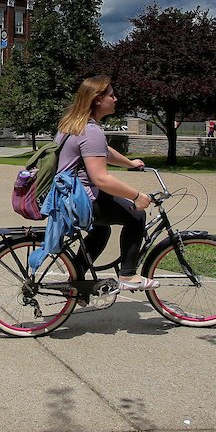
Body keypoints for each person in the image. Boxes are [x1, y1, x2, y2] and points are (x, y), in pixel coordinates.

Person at [56, 75, 158, 292]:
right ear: (97, 99)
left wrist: (129, 163)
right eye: (111, 95)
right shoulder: (90, 131)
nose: (116, 98)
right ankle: (128, 275)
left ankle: (76, 282)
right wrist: (137, 196)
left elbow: (102, 151)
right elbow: (101, 179)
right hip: (80, 199)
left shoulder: (72, 125)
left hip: (67, 196)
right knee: (136, 215)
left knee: (102, 231)